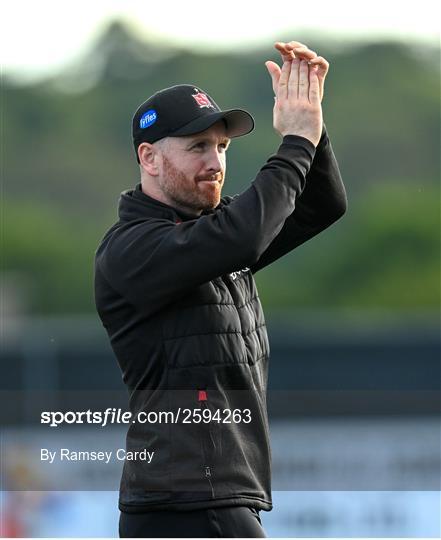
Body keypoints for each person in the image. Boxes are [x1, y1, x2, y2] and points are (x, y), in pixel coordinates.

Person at [94, 40, 347, 538]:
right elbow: (245, 234)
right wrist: (294, 143)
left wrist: (310, 125)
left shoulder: (212, 236)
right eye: (197, 147)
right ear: (148, 157)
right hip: (188, 502)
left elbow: (322, 204)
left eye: (222, 147)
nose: (215, 161)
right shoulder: (134, 248)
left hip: (204, 500)